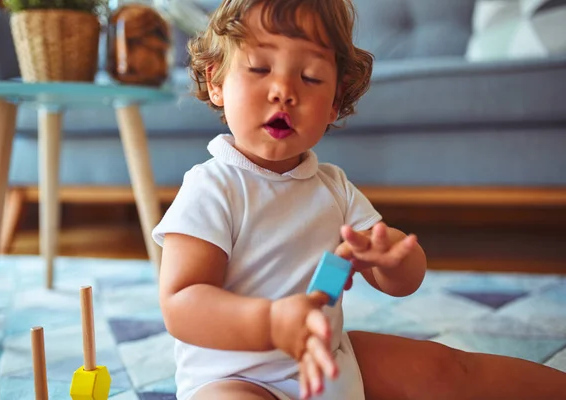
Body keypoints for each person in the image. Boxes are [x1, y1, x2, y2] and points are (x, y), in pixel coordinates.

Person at [151, 0, 566, 399]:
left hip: (331, 357)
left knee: (443, 370)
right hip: (234, 377)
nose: (283, 90)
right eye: (259, 68)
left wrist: (393, 258)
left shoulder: (334, 187)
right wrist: (271, 323)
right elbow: (182, 302)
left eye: (310, 77)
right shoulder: (212, 188)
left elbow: (403, 283)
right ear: (216, 81)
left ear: (335, 102)